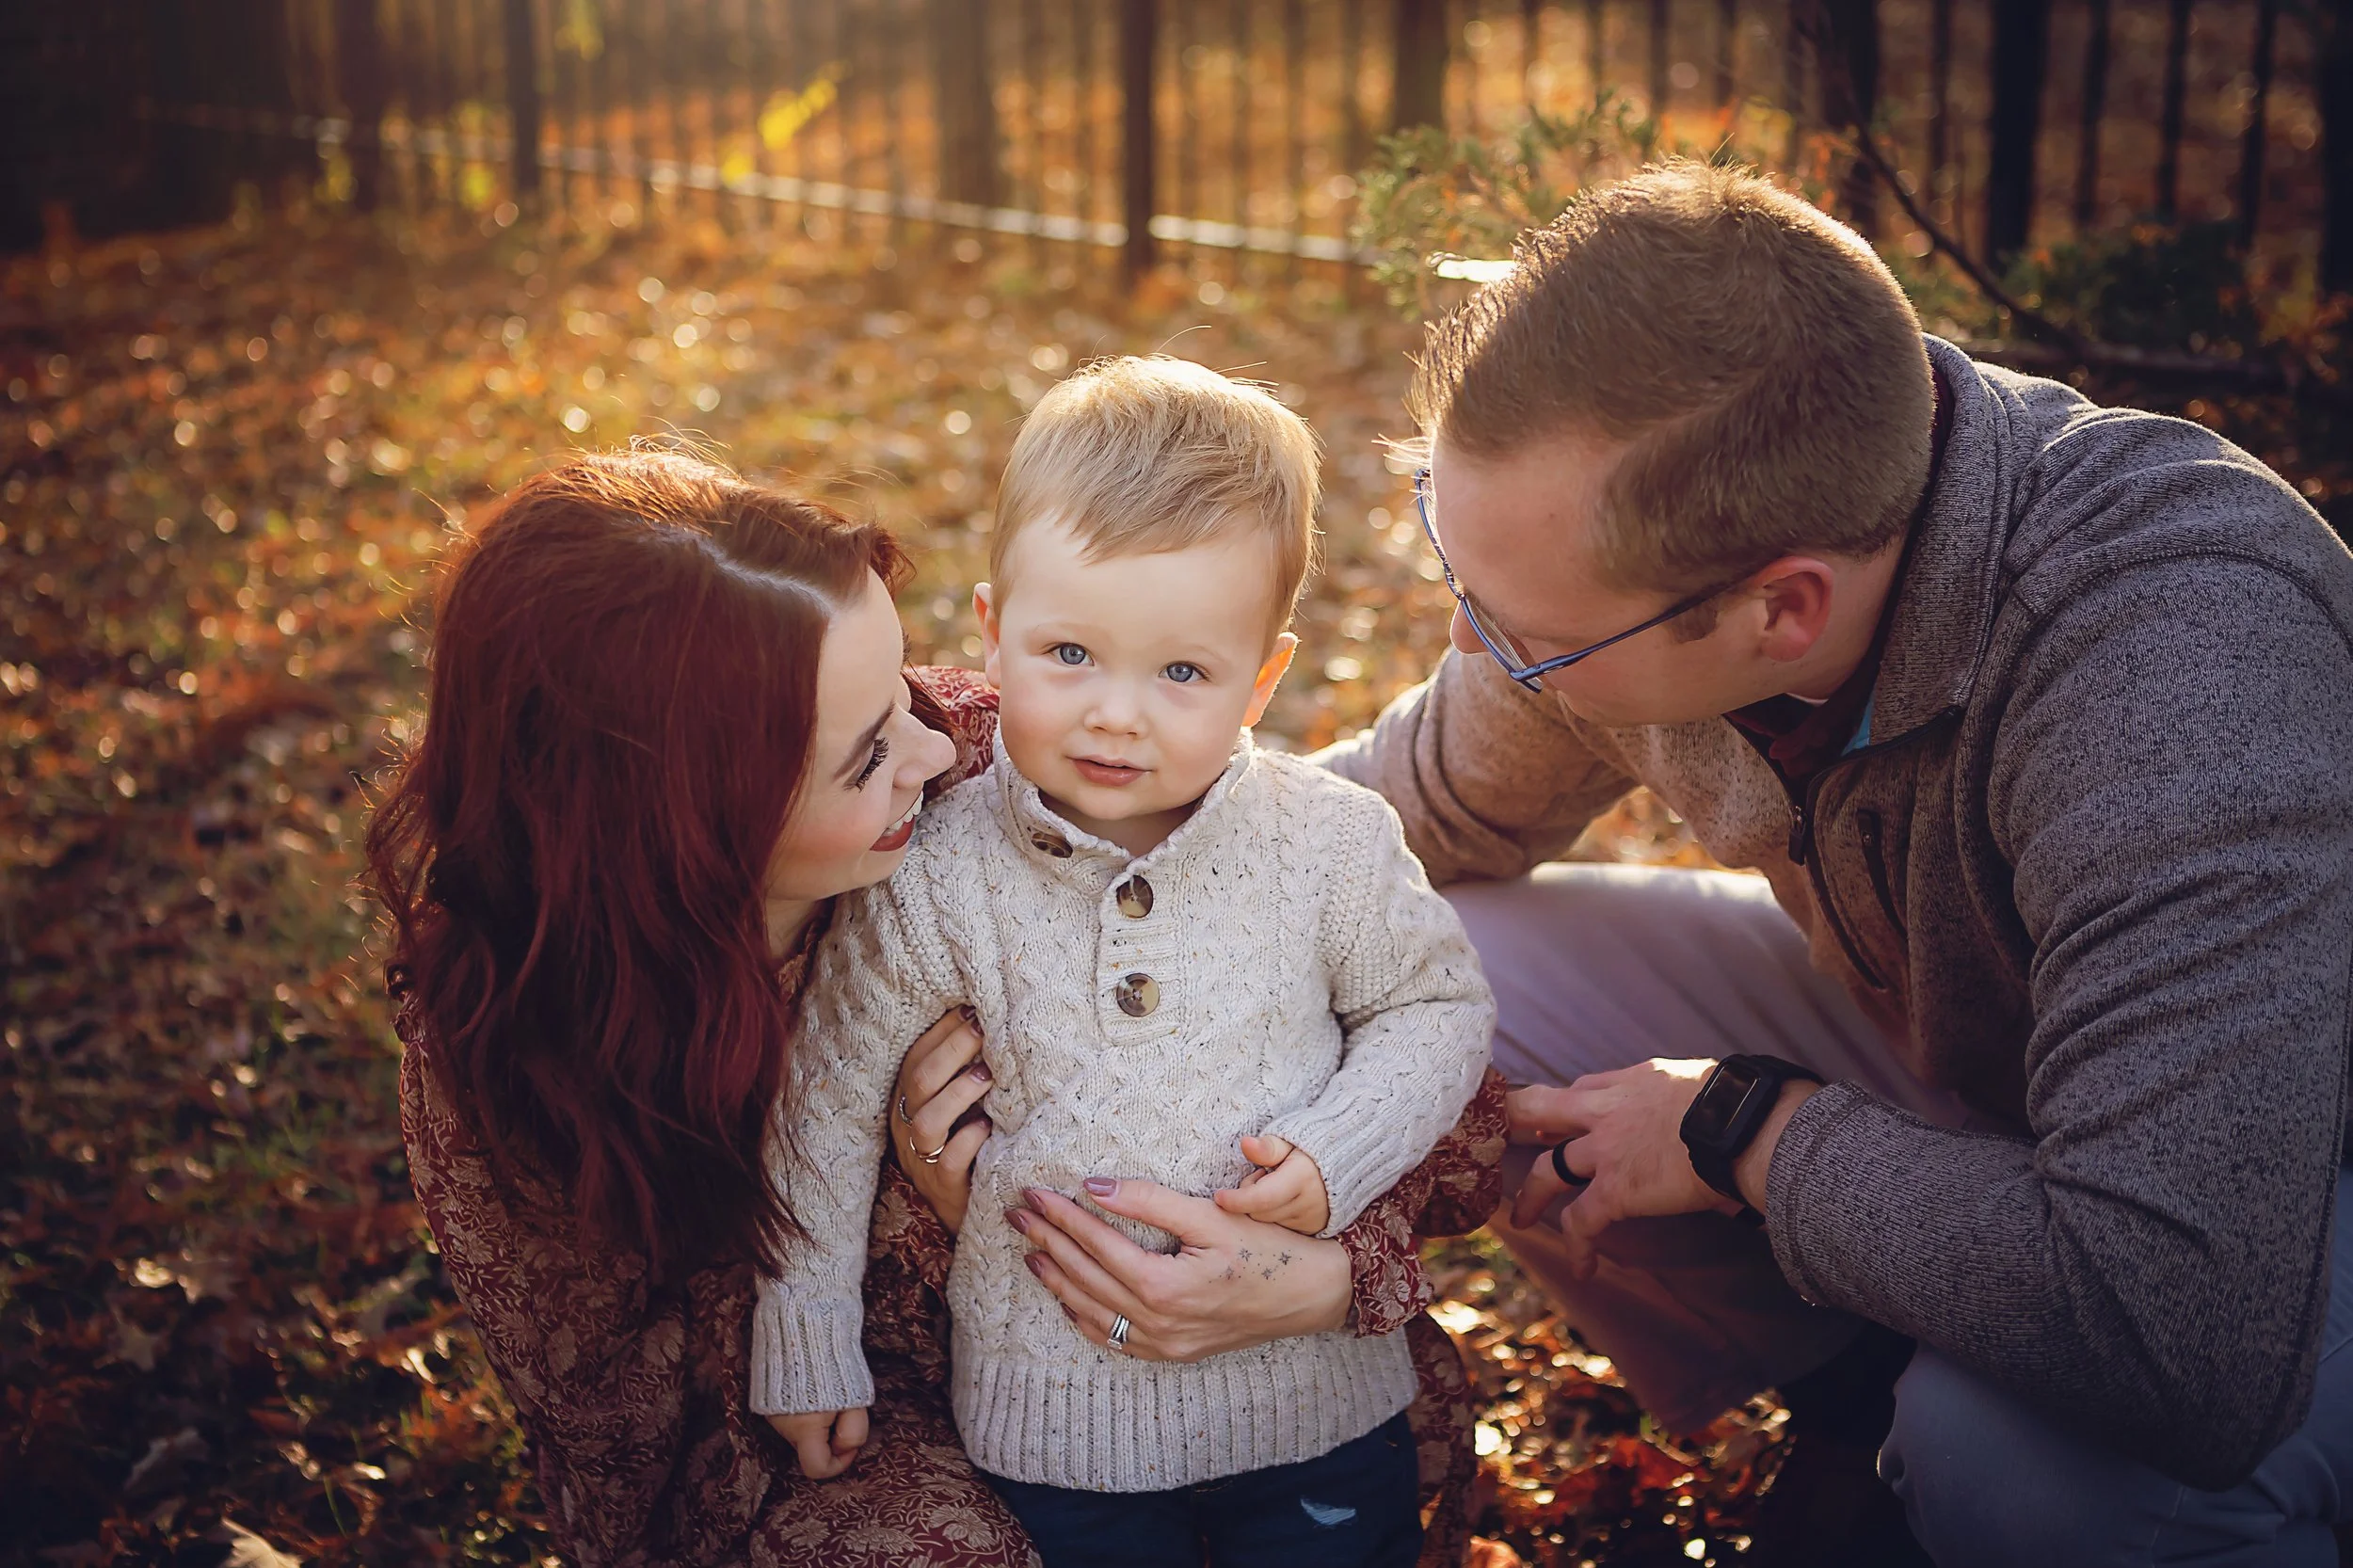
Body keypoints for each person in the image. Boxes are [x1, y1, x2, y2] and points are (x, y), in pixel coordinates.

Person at [1319, 161, 2353, 1565]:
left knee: (2021, 1466)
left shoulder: (2179, 668)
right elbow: (1397, 815)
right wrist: (1026, 800)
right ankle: (1855, 1406)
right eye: (1456, 566)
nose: (1475, 652)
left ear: (1781, 609)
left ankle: (1950, 1457)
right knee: (1435, 968)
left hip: (2263, 1203)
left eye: (1530, 637)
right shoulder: (1652, 558)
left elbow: (2175, 1324)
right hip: (1984, 1060)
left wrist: (1748, 1133)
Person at [368, 447, 1511, 1568]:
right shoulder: (515, 1047)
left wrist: (1314, 1280)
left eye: (908, 683)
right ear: (687, 821)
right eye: (868, 751)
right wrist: (929, 1222)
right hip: (887, 1414)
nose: (933, 748)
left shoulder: (1014, 754)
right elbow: (634, 1431)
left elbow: (1444, 1105)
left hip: (1251, 1377)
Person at [751, 359, 1495, 1568]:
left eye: (1182, 673)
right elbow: (824, 1100)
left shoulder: (1327, 843)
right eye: (1069, 653)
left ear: (1264, 678)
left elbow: (1437, 1008)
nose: (1116, 714)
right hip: (1053, 1427)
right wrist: (806, 1332)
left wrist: (1331, 1156)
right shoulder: (941, 869)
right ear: (993, 633)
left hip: (1309, 1410)